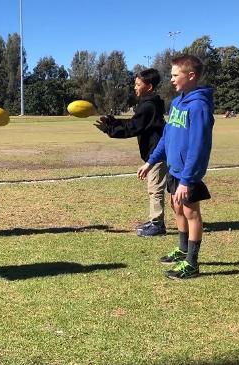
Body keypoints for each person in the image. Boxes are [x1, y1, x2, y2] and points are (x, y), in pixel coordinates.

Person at [137, 55, 214, 280]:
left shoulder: (199, 106)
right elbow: (167, 137)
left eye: (174, 75)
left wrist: (187, 180)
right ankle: (182, 250)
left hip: (187, 174)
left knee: (191, 212)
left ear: (190, 76)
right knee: (177, 209)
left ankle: (192, 263)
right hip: (174, 169)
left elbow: (198, 146)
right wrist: (151, 161)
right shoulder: (178, 102)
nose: (171, 79)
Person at [95, 68, 167, 237]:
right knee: (156, 187)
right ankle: (155, 221)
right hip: (155, 151)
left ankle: (157, 224)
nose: (134, 87)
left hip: (157, 152)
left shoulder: (148, 105)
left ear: (149, 87)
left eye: (138, 84)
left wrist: (111, 129)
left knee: (155, 188)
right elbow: (136, 122)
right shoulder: (149, 102)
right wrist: (115, 122)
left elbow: (134, 128)